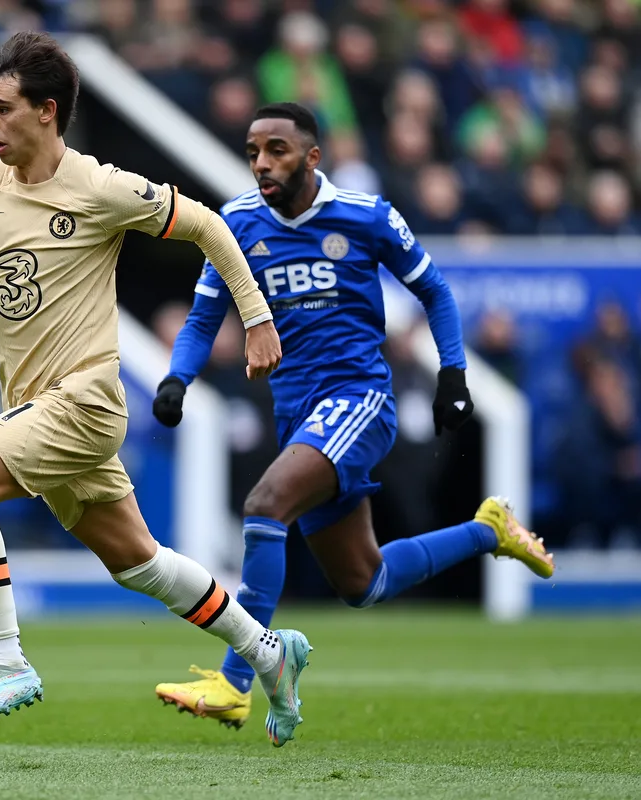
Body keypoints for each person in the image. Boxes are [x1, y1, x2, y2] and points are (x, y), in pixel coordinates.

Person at [0, 32, 310, 745]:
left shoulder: (100, 187)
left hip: (86, 401)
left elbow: (211, 227)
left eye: (2, 109)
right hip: (38, 409)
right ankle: (267, 654)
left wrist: (255, 318)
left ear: (46, 111)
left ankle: (7, 661)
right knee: (139, 564)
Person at [149, 102, 554, 732]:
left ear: (312, 157)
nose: (261, 162)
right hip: (297, 414)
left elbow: (435, 291)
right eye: (253, 150)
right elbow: (203, 319)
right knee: (364, 582)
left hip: (359, 399)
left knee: (263, 505)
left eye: (277, 149)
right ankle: (490, 531)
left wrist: (452, 372)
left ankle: (236, 681)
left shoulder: (365, 216)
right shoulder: (234, 223)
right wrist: (177, 377)